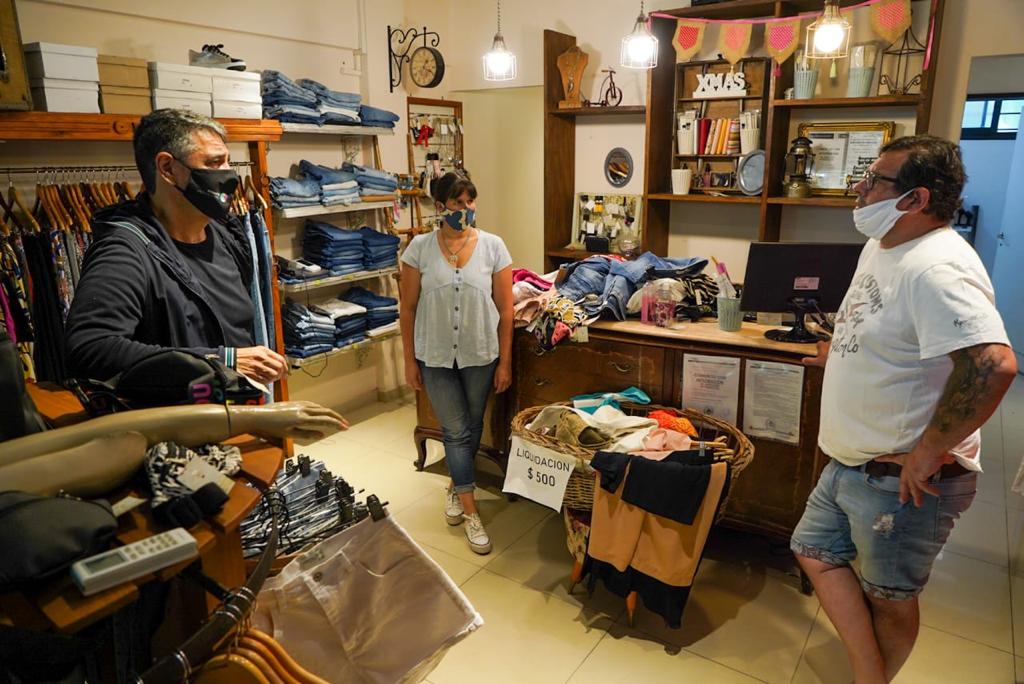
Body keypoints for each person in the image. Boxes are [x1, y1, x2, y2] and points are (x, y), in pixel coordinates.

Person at [792, 135, 1017, 683]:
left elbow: (993, 364)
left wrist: (929, 452)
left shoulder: (936, 267)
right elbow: (889, 329)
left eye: (874, 181)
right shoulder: (884, 245)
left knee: (889, 597)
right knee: (813, 550)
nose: (860, 189)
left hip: (901, 478)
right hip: (855, 460)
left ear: (915, 199)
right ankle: (869, 674)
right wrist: (841, 351)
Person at [65, 108, 287, 385]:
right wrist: (221, 361)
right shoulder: (124, 251)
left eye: (228, 162)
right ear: (168, 168)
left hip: (235, 405)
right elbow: (89, 348)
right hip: (179, 410)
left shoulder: (229, 234)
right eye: (214, 163)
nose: (229, 175)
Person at [399, 171, 514, 554]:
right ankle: (470, 511)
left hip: (480, 354)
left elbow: (506, 309)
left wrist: (505, 362)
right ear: (440, 206)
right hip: (434, 356)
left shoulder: (494, 247)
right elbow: (407, 309)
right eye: (457, 203)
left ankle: (455, 487)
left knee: (471, 426)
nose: (465, 209)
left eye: (470, 201)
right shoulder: (418, 249)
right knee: (455, 430)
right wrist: (409, 361)